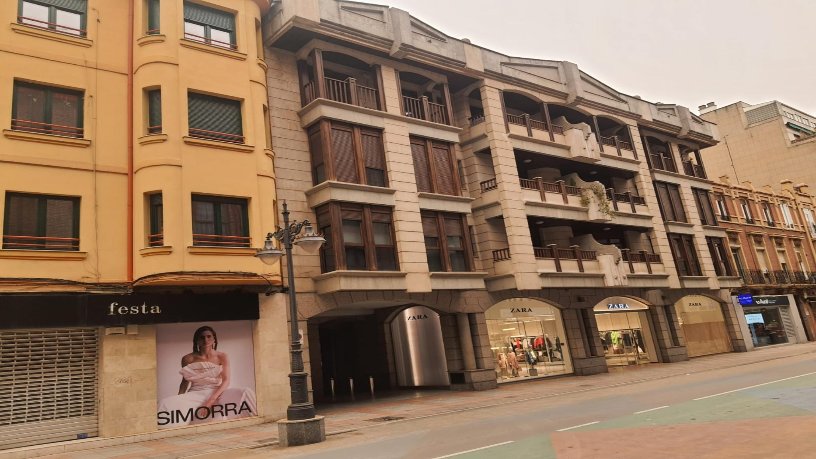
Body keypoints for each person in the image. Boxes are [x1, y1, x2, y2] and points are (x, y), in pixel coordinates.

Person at [157, 326, 257, 429]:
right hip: (196, 393)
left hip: (218, 392)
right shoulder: (187, 359)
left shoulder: (222, 356)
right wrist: (179, 398)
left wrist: (211, 400)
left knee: (245, 392)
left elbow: (226, 381)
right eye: (202, 337)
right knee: (164, 403)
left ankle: (256, 423)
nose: (206, 340)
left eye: (209, 337)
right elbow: (185, 382)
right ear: (197, 340)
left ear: (214, 339)